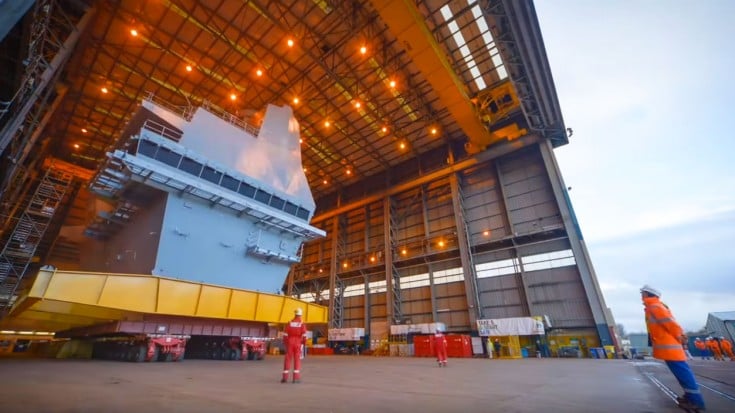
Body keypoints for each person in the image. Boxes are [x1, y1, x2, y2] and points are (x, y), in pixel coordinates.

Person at [641, 285, 705, 411]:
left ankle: (696, 402)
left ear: (648, 294)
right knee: (681, 374)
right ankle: (690, 397)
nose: (641, 296)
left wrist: (680, 336)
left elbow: (670, 323)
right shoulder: (652, 307)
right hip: (668, 348)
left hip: (671, 348)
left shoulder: (655, 306)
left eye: (642, 293)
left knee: (683, 374)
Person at [282, 308, 307, 383]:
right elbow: (304, 335)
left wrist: (286, 343)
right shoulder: (302, 323)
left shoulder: (289, 323)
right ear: (301, 314)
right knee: (297, 359)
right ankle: (295, 378)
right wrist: (303, 343)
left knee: (288, 359)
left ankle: (285, 378)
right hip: (298, 343)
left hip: (290, 342)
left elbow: (285, 335)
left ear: (295, 314)